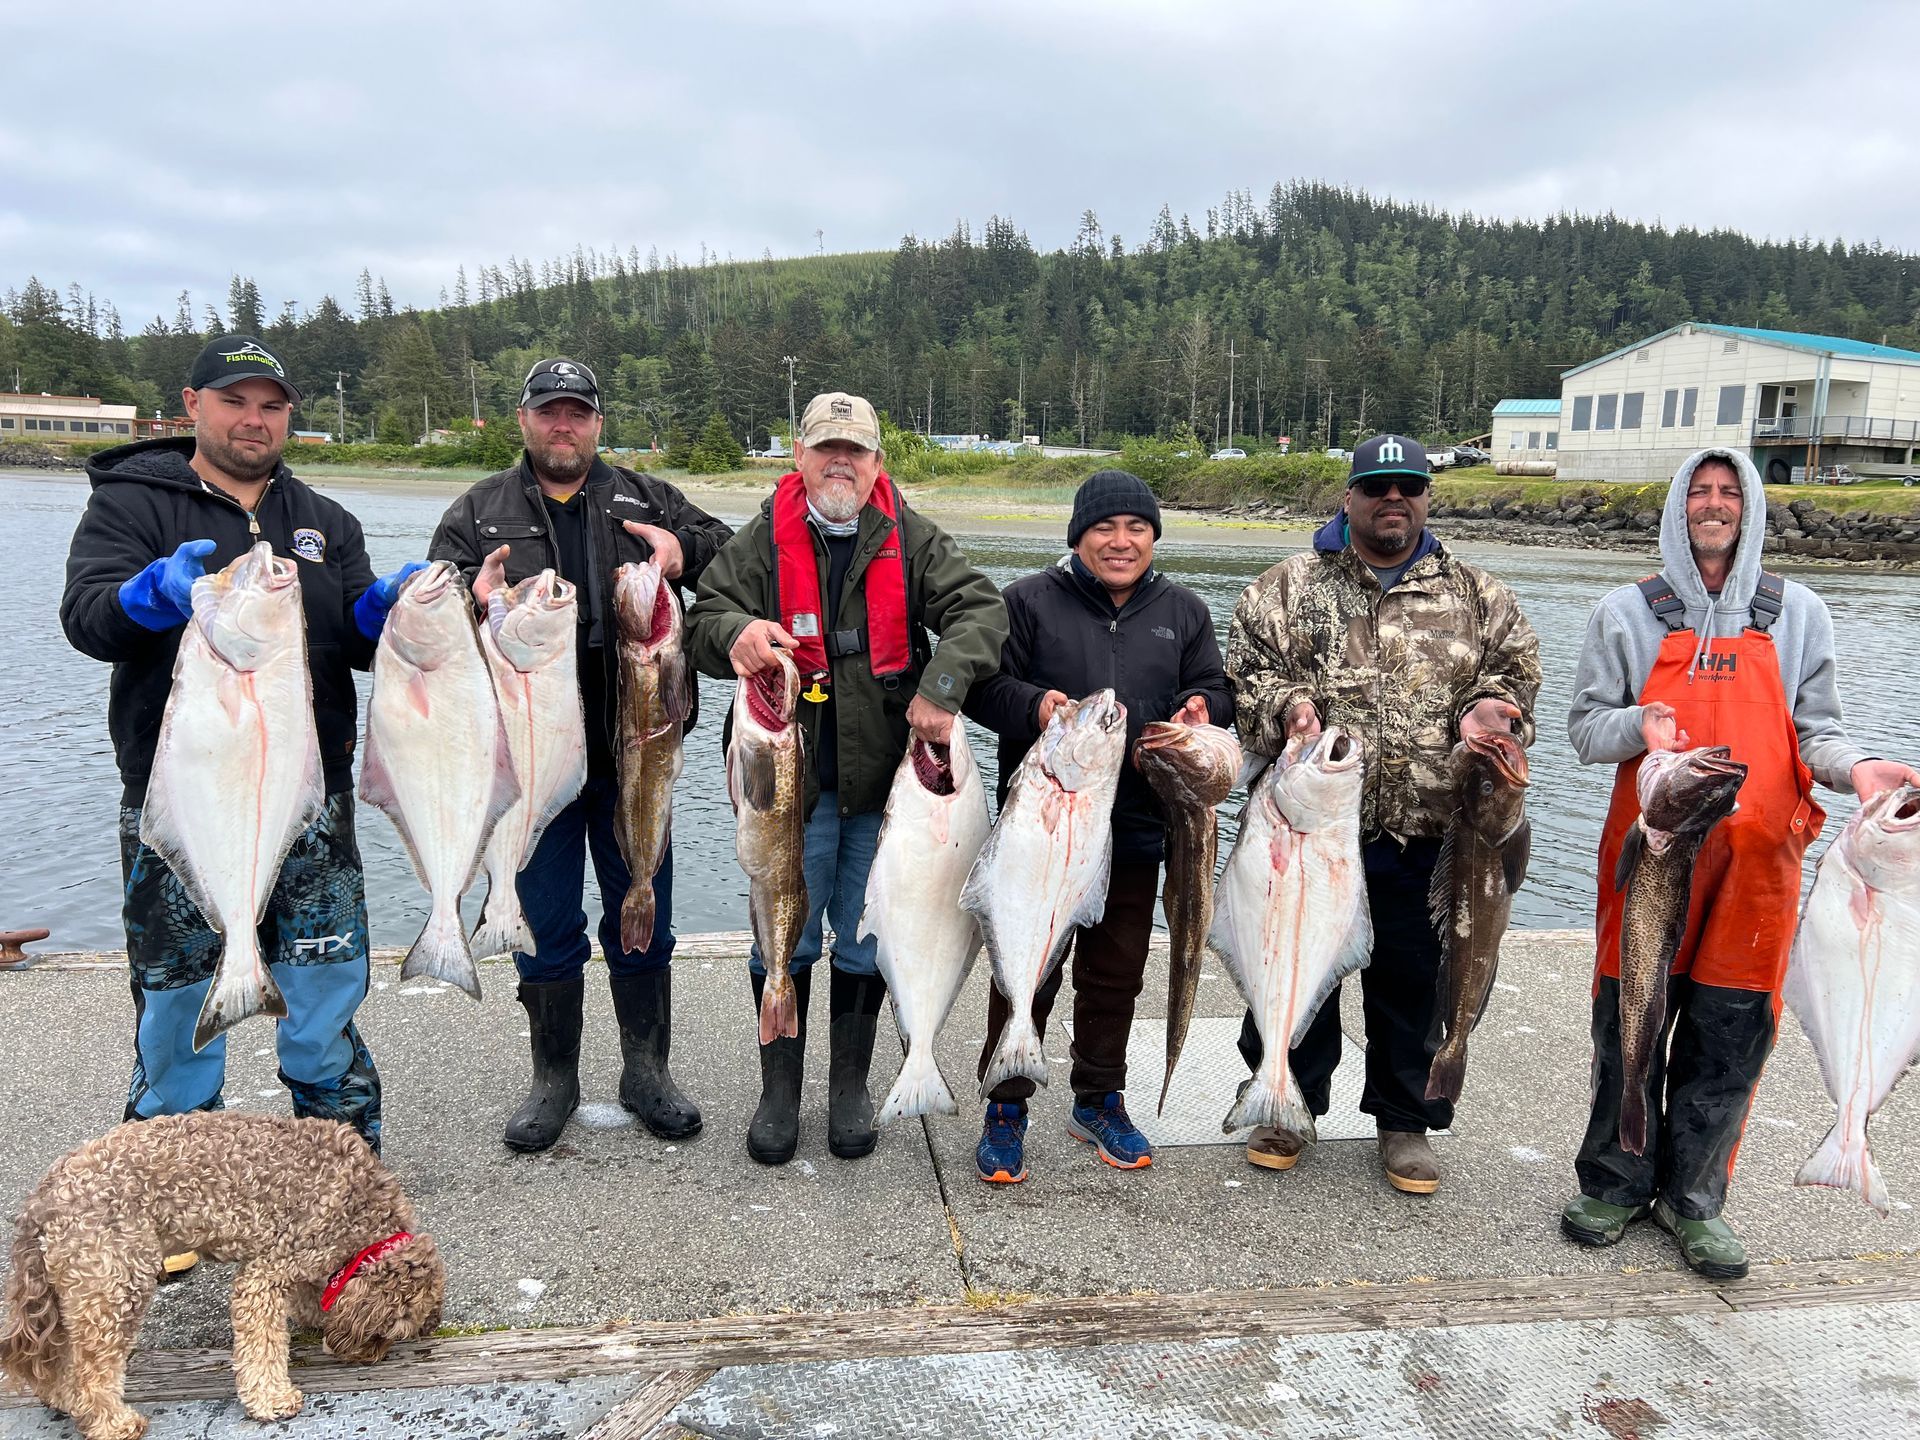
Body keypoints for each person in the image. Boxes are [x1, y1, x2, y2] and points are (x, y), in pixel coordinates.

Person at [60, 334, 419, 1169]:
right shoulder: (131, 505)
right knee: (176, 995)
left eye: (271, 405)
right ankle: (177, 1178)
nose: (254, 420)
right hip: (180, 794)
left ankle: (339, 1166)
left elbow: (351, 640)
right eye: (234, 401)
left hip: (308, 795)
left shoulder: (326, 523)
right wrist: (147, 596)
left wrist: (381, 618)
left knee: (327, 987)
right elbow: (86, 620)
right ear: (192, 406)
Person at [1561, 447, 1920, 1278]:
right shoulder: (1627, 612)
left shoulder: (1797, 614)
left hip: (1757, 875)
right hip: (1652, 857)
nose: (1714, 505)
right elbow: (1586, 730)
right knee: (1630, 1026)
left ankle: (1694, 1200)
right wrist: (1640, 721)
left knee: (1729, 1043)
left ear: (1751, 509)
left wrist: (1859, 767)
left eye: (1729, 493)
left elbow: (1816, 733)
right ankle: (1615, 1181)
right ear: (1677, 509)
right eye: (1700, 492)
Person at [684, 391, 1007, 1166]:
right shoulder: (760, 540)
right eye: (826, 447)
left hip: (884, 797)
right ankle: (777, 1094)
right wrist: (739, 632)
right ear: (799, 458)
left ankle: (852, 1088)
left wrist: (944, 684)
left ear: (876, 465)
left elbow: (982, 612)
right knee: (780, 936)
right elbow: (700, 623)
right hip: (784, 793)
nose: (840, 461)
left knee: (867, 942)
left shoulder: (913, 537)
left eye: (855, 451)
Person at [428, 358, 733, 1154]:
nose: (564, 426)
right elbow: (431, 607)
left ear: (598, 423)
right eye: (549, 412)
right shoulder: (478, 511)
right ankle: (553, 1079)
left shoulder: (643, 496)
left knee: (644, 912)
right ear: (523, 419)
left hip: (640, 755)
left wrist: (680, 553)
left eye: (579, 414)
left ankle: (645, 1071)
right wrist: (474, 594)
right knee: (547, 922)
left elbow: (728, 554)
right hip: (533, 765)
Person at [1225, 433, 1541, 1194]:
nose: (1392, 498)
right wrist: (1288, 707)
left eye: (1409, 485)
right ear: (1350, 497)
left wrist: (1491, 708)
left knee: (1413, 984)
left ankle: (1403, 1120)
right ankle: (1285, 1099)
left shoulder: (1478, 594)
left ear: (1427, 496)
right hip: (1309, 837)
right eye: (1377, 486)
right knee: (1298, 973)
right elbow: (1246, 680)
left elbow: (1516, 676)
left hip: (1429, 836)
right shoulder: (1284, 588)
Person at [963, 469, 1233, 1183]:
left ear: (1153, 537)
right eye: (1104, 529)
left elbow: (1215, 686)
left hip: (1139, 827)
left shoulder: (1184, 610)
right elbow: (982, 688)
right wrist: (1037, 707)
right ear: (1077, 536)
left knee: (1115, 977)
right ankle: (1005, 1102)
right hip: (1041, 835)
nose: (1121, 542)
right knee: (1026, 969)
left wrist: (1204, 706)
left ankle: (1098, 1097)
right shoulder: (1025, 602)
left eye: (1136, 528)